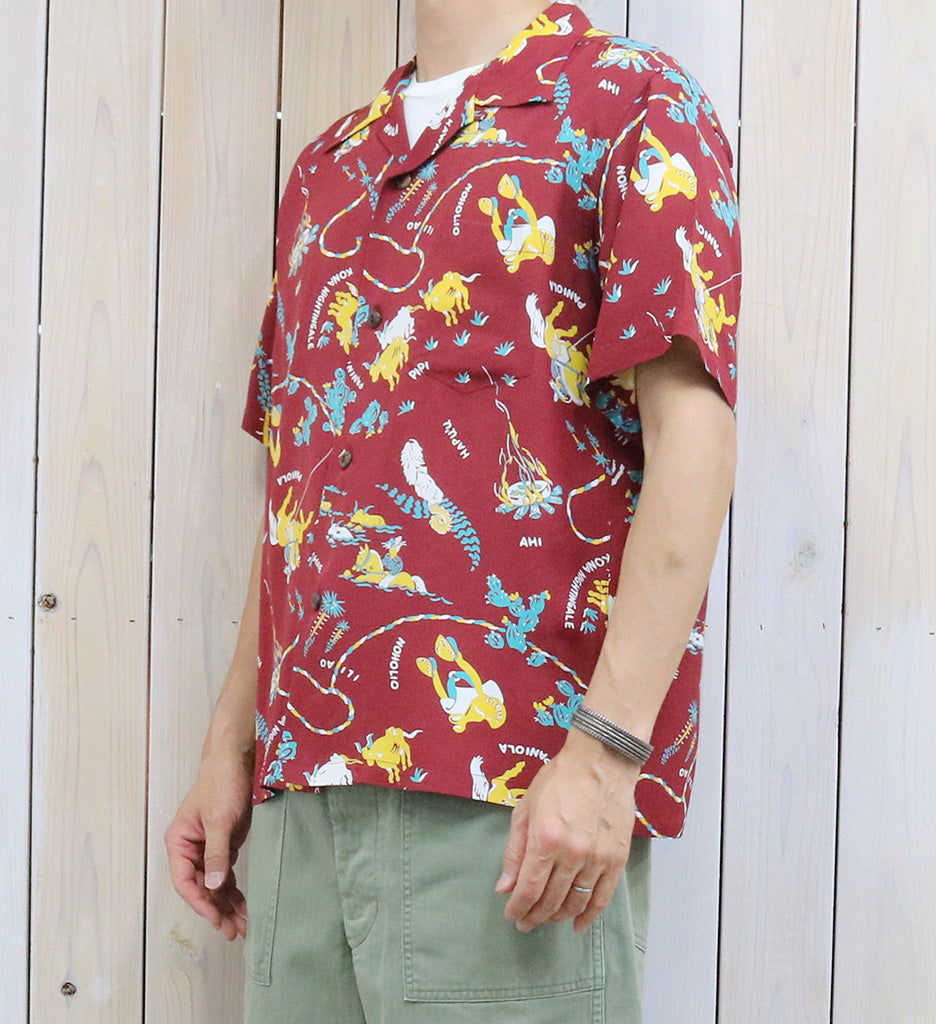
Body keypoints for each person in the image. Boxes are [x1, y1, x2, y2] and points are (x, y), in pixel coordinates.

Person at [166, 2, 740, 1021]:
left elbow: (693, 440)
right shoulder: (329, 167)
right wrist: (231, 742)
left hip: (514, 799)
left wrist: (607, 752)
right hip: (303, 801)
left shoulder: (630, 102)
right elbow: (302, 487)